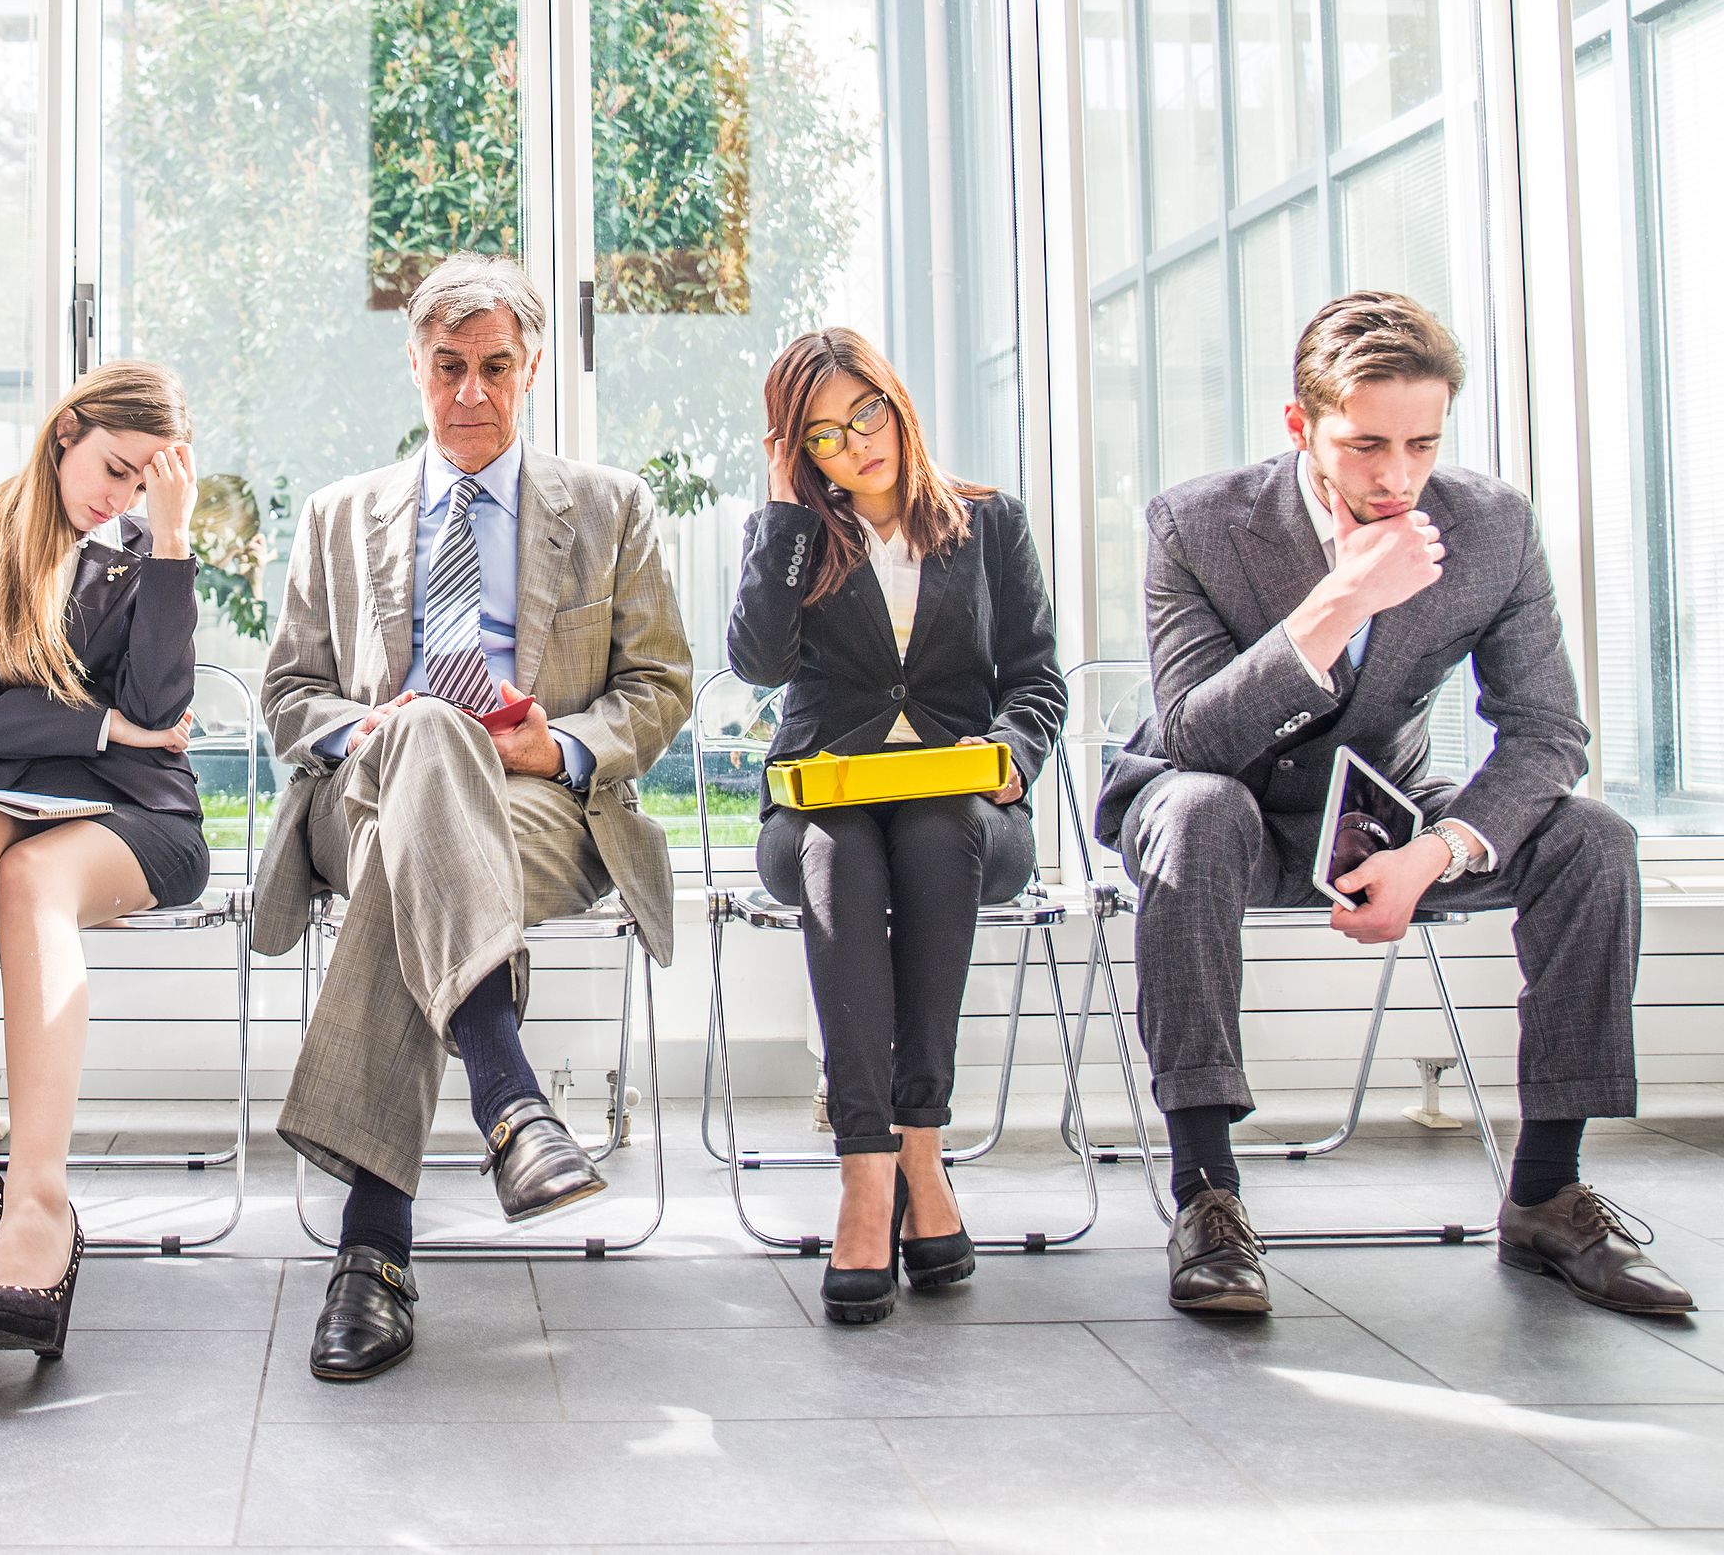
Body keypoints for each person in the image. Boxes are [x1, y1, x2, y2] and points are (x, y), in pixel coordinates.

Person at [1095, 291, 1693, 1318]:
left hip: (1379, 818)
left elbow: (1547, 732)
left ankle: (1547, 1192)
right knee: (1199, 814)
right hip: (1213, 802)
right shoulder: (1196, 523)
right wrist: (1340, 603)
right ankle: (1206, 1196)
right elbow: (1196, 733)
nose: (1396, 476)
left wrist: (1441, 851)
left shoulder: (1491, 525)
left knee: (1594, 838)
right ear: (1301, 426)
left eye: (1421, 444)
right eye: (1366, 444)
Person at [254, 253, 692, 1382]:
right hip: (360, 797)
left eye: (496, 367)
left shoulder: (610, 507)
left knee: (427, 836)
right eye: (446, 367)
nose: (470, 393)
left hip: (542, 806)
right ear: (413, 364)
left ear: (532, 366)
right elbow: (291, 695)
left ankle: (372, 1248)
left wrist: (558, 742)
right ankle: (508, 1090)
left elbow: (660, 685)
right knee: (427, 741)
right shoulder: (337, 516)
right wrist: (388, 727)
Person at [725, 329, 1063, 1325]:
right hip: (822, 809)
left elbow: (1036, 677)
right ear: (801, 452)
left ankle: (919, 1143)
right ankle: (870, 1171)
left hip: (968, 810)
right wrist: (786, 513)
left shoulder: (989, 523)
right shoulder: (793, 534)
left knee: (928, 833)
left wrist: (1009, 753)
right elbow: (756, 663)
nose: (854, 443)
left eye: (863, 413)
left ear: (894, 398)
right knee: (838, 850)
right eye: (822, 435)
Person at [0, 360, 207, 1357]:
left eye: (135, 484)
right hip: (5, 799)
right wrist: (104, 721)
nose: (112, 497)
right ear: (65, 430)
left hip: (135, 817)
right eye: (111, 470)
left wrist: (169, 540)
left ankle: (36, 1206)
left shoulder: (137, 553)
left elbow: (161, 714)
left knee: (30, 877)